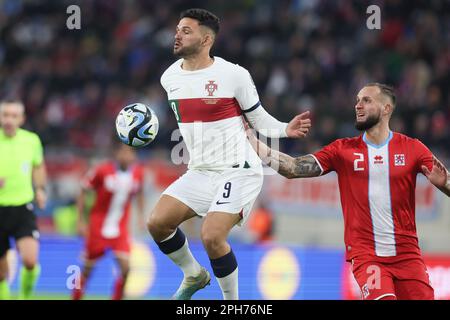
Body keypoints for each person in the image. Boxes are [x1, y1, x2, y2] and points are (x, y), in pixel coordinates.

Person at [147, 8, 311, 300]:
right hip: (200, 170)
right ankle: (194, 275)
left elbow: (258, 119)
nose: (177, 34)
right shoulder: (169, 77)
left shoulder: (234, 75)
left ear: (206, 38)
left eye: (186, 30)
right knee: (157, 222)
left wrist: (287, 129)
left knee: (211, 235)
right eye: (177, 29)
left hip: (239, 169)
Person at [247, 83, 450, 300]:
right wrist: (251, 138)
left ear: (386, 109)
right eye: (357, 100)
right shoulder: (342, 150)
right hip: (368, 257)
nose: (358, 105)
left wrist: (445, 185)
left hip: (408, 256)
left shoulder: (413, 148)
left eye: (366, 100)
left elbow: (447, 182)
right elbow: (293, 168)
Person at [72, 143, 146, 300]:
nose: (126, 156)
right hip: (98, 227)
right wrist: (80, 221)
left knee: (126, 269)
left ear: (134, 156)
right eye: (123, 152)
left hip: (120, 229)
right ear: (116, 154)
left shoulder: (138, 173)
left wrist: (140, 217)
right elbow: (83, 189)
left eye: (130, 153)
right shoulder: (102, 170)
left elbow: (139, 192)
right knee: (87, 270)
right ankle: (76, 296)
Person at [0, 100, 47, 300]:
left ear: (22, 118)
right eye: (5, 115)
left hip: (22, 207)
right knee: (1, 273)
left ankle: (25, 297)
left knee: (30, 260)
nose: (9, 119)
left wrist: (40, 189)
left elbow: (38, 166)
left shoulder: (31, 140)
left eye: (13, 115)